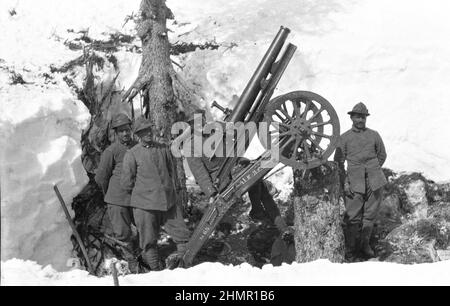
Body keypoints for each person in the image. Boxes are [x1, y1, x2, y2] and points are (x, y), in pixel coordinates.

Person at [184, 110, 291, 239]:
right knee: (257, 182)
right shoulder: (190, 145)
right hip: (221, 178)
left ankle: (280, 226)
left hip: (235, 166)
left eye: (200, 119)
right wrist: (211, 193)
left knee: (259, 184)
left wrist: (241, 120)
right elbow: (200, 173)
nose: (199, 124)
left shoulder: (216, 127)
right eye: (194, 122)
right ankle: (268, 219)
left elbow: (238, 131)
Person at [121, 116, 191, 271]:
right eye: (143, 131)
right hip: (145, 206)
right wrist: (144, 192)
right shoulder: (131, 154)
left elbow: (171, 171)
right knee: (148, 241)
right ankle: (155, 272)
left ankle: (185, 268)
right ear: (137, 135)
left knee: (182, 235)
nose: (148, 133)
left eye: (149, 129)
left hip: (168, 202)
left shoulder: (163, 148)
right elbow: (126, 183)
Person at [334, 102, 387, 260]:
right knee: (352, 217)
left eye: (363, 116)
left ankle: (365, 245)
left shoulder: (374, 135)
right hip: (354, 181)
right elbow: (338, 163)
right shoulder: (344, 138)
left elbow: (382, 155)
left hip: (375, 181)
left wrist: (373, 169)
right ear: (351, 118)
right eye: (357, 116)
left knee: (370, 215)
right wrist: (345, 182)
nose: (360, 119)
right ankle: (350, 249)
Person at [94, 113, 139, 272]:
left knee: (144, 228)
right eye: (121, 131)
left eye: (127, 129)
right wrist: (110, 194)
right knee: (123, 233)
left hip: (137, 199)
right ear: (115, 133)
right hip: (117, 199)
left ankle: (143, 259)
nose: (125, 133)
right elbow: (101, 177)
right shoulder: (111, 151)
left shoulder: (137, 146)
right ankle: (131, 264)